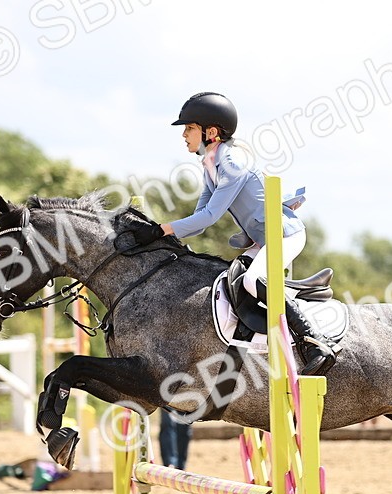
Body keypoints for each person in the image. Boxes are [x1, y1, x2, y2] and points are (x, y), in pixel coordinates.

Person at [130, 91, 340, 376]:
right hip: (262, 240)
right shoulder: (210, 166)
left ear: (211, 132)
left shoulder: (232, 163)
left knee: (255, 280)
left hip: (285, 236)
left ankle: (315, 342)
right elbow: (200, 222)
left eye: (189, 128)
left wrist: (160, 229)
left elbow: (210, 216)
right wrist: (160, 234)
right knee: (237, 278)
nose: (184, 135)